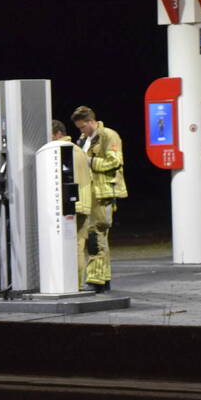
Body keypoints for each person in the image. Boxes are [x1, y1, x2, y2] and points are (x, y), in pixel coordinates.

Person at [71, 105, 127, 292]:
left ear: (90, 122)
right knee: (97, 235)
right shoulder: (83, 140)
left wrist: (90, 162)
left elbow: (115, 161)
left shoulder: (108, 135)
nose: (81, 131)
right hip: (90, 193)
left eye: (82, 127)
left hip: (102, 193)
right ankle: (103, 278)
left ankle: (96, 280)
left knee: (96, 235)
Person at [50, 119, 92, 287]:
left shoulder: (56, 150)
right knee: (78, 247)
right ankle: (78, 285)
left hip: (67, 206)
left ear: (58, 133)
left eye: (50, 135)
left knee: (66, 248)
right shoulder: (79, 150)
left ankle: (66, 284)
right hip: (83, 204)